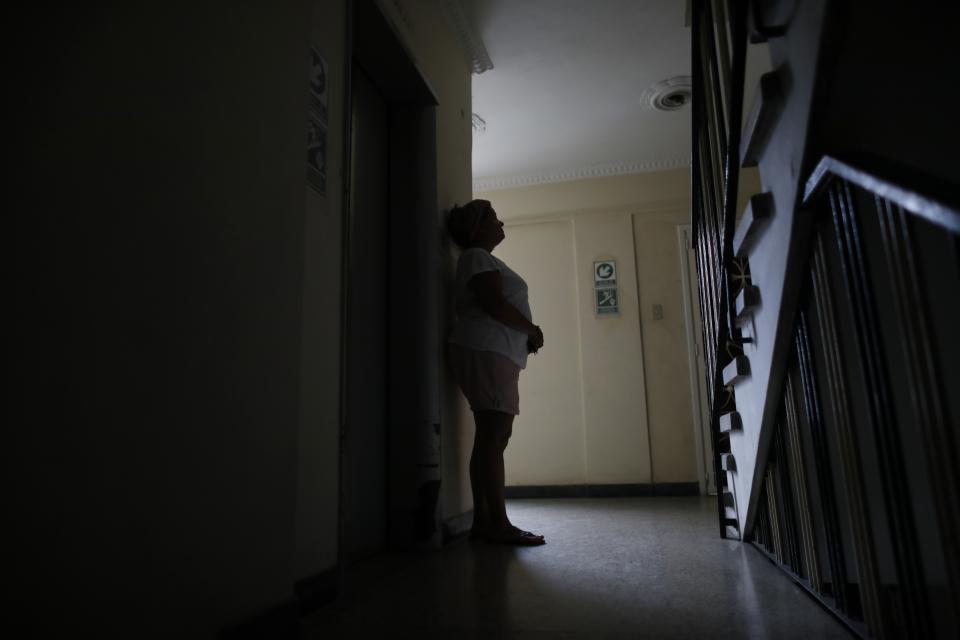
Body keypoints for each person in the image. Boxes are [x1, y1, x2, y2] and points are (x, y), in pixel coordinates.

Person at [447, 199, 546, 546]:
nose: (500, 223)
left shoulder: (481, 258)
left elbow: (496, 305)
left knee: (494, 436)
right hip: (487, 351)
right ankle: (496, 525)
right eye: (493, 219)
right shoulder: (476, 257)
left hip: (495, 353)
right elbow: (493, 304)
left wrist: (525, 336)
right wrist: (531, 330)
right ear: (477, 228)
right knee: (493, 435)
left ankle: (486, 523)